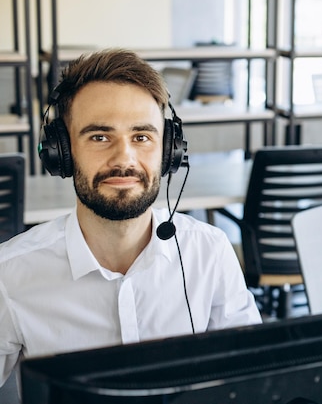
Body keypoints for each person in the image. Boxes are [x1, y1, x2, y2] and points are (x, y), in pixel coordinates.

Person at [0, 49, 262, 387]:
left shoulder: (209, 252)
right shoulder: (11, 272)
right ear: (61, 152)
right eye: (99, 136)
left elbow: (253, 379)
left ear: (169, 150)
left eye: (142, 137)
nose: (124, 157)